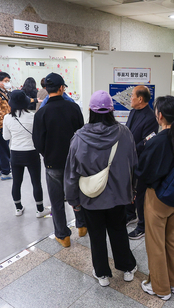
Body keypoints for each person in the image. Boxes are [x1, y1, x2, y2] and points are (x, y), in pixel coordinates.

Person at [64, 90, 138, 287]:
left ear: (90, 110)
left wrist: (73, 200)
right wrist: (132, 191)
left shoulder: (79, 138)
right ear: (112, 111)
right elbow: (133, 165)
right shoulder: (124, 133)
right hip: (119, 197)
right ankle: (127, 268)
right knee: (118, 231)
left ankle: (102, 273)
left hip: (90, 197)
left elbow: (72, 172)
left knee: (96, 235)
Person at [136, 95, 174, 301]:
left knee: (155, 243)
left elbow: (144, 172)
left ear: (159, 116)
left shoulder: (156, 141)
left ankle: (160, 288)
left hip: (157, 198)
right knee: (172, 240)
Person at [33, 73, 87, 248]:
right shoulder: (74, 109)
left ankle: (63, 236)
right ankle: (82, 225)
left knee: (56, 201)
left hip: (52, 163)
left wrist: (47, 154)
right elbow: (81, 134)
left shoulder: (41, 113)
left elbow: (38, 142)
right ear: (62, 88)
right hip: (74, 161)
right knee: (77, 194)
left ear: (46, 90)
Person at [2, 90, 51, 218]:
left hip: (15, 153)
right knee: (36, 182)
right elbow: (39, 135)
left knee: (17, 182)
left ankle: (18, 208)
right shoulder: (33, 116)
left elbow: (6, 137)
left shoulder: (7, 118)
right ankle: (40, 210)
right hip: (31, 152)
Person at [125, 85, 159, 240]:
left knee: (139, 194)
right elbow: (127, 132)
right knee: (129, 188)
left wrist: (131, 148)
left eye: (132, 95)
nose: (130, 98)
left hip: (142, 161)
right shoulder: (133, 112)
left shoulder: (151, 117)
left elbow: (148, 140)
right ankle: (130, 215)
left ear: (140, 98)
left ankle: (142, 226)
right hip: (129, 158)